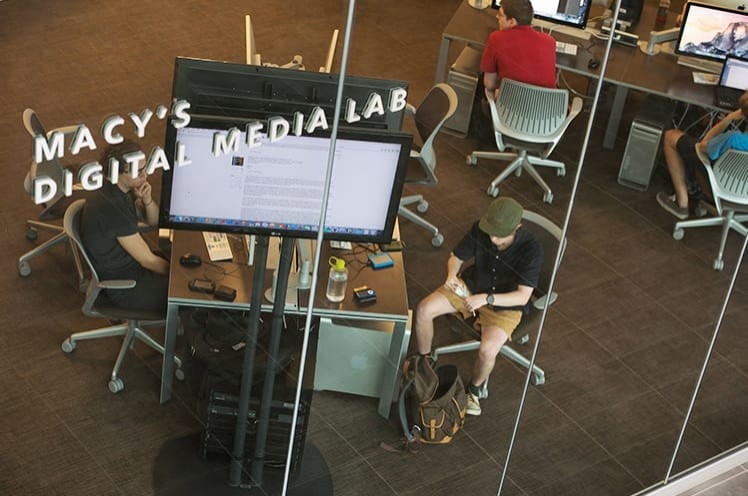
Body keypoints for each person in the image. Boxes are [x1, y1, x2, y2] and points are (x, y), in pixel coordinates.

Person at [414, 197, 543, 416]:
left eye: (499, 235)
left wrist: (487, 299)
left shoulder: (532, 250)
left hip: (504, 302)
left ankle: (474, 389)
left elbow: (522, 297)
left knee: (487, 351)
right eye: (490, 232)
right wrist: (452, 274)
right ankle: (424, 365)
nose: (492, 239)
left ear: (517, 228)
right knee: (424, 310)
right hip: (473, 286)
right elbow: (456, 256)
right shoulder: (481, 228)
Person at [80, 140, 169, 312]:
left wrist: (147, 200)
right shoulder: (112, 206)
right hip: (127, 285)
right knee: (192, 296)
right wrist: (179, 278)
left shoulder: (117, 188)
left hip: (129, 266)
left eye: (145, 167)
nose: (145, 175)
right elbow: (147, 260)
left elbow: (154, 222)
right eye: (138, 171)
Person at [657, 91, 748, 220]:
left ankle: (682, 204)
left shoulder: (734, 139)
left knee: (671, 136)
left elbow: (701, 146)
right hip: (745, 193)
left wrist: (728, 119)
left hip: (721, 186)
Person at [480, 0, 557, 94]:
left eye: (500, 14)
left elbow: (489, 84)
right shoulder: (550, 41)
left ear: (512, 22)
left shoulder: (496, 38)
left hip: (508, 106)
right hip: (546, 106)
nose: (497, 16)